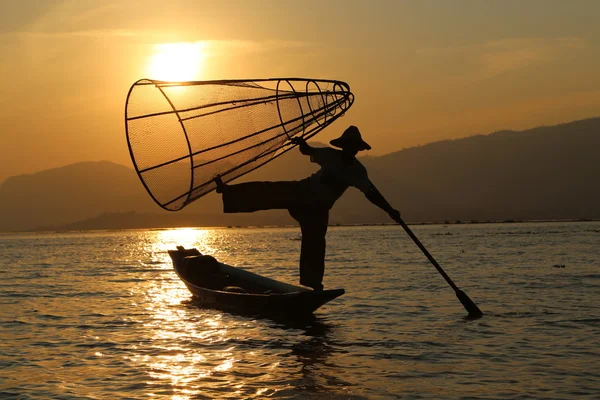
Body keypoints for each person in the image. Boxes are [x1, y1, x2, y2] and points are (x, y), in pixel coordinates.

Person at [214, 126, 401, 291]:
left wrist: (390, 210)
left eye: (353, 147)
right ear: (343, 145)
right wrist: (302, 143)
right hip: (303, 191)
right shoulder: (330, 155)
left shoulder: (357, 171)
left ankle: (313, 284)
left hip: (318, 209)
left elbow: (371, 193)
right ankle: (228, 191)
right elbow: (307, 150)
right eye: (348, 145)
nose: (350, 149)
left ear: (357, 149)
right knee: (269, 190)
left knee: (316, 243)